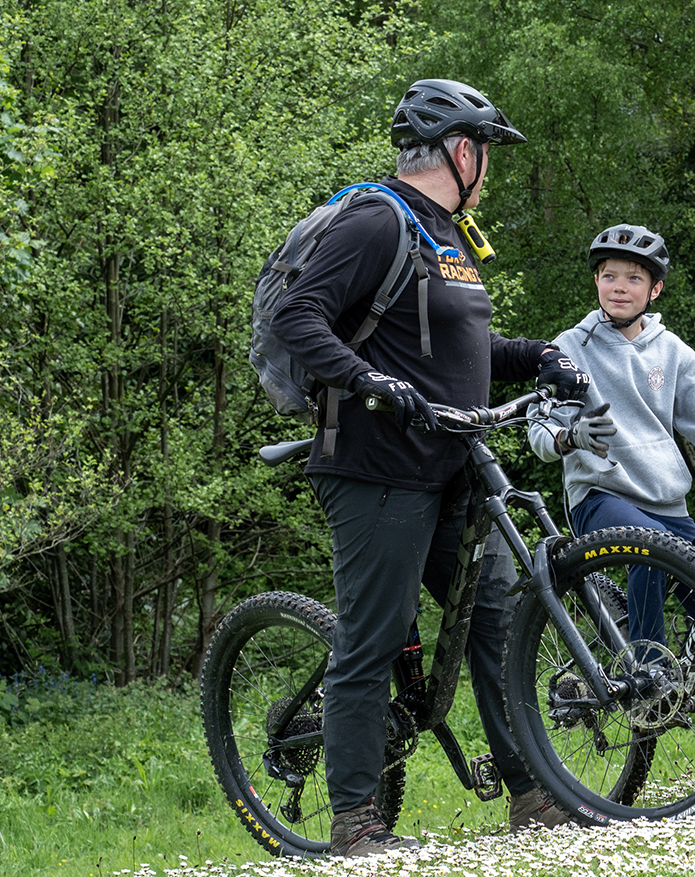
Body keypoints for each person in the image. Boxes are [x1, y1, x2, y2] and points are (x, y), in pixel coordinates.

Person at [272, 79, 593, 856]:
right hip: (376, 464)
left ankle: (532, 795)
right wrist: (368, 379)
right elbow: (298, 314)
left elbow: (458, 351)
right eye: (489, 154)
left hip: (452, 464)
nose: (492, 169)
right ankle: (352, 819)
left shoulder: (448, 237)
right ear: (462, 149)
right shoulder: (377, 219)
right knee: (374, 637)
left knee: (498, 622)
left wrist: (540, 357)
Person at [525, 223, 695, 644]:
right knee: (650, 549)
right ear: (596, 281)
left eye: (634, 278)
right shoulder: (569, 347)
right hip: (600, 496)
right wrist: (570, 437)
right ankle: (649, 679)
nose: (619, 288)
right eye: (609, 276)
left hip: (669, 503)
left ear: (655, 289)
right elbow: (541, 428)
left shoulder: (674, 351)